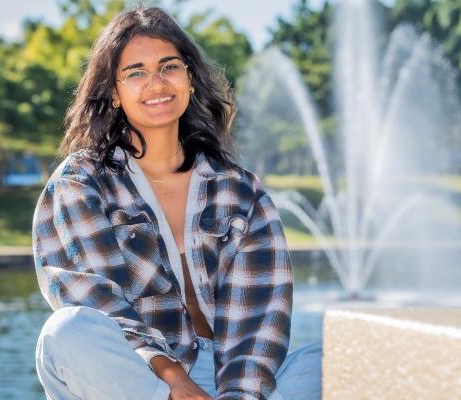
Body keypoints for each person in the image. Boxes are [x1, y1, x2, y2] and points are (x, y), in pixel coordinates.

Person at [31, 5, 321, 400]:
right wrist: (171, 377)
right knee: (66, 333)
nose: (156, 83)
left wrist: (240, 395)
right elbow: (95, 298)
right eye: (136, 73)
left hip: (228, 374)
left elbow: (261, 317)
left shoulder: (239, 190)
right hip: (141, 376)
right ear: (114, 93)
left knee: (342, 354)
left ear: (189, 79)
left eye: (169, 67)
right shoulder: (82, 182)